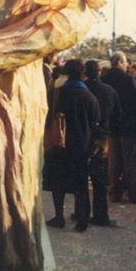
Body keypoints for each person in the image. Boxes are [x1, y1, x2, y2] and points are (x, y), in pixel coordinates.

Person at [43, 59, 99, 232]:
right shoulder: (89, 97)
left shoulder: (57, 93)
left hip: (59, 144)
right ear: (82, 74)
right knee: (81, 184)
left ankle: (59, 216)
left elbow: (47, 116)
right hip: (81, 145)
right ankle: (82, 220)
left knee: (57, 182)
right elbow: (96, 122)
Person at [102, 51, 136, 204]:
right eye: (126, 62)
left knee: (113, 161)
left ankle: (114, 193)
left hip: (112, 126)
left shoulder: (105, 79)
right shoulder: (129, 79)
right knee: (130, 162)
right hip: (129, 126)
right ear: (121, 62)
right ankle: (133, 193)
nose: (127, 64)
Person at [84, 59, 121, 226]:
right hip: (102, 138)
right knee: (99, 180)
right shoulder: (109, 91)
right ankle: (101, 216)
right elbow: (117, 115)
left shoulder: (84, 90)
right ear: (99, 72)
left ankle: (82, 213)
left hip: (84, 137)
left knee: (82, 178)